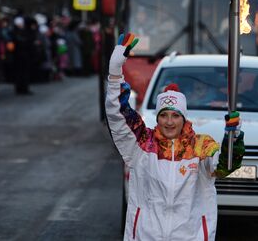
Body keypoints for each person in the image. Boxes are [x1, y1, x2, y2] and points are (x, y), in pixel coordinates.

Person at [105, 33, 245, 241]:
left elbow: (225, 167)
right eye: (164, 115)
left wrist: (233, 138)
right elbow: (118, 115)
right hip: (146, 236)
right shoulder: (142, 144)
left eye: (175, 116)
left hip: (190, 235)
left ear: (183, 118)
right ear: (158, 117)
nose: (169, 122)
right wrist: (115, 73)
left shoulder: (201, 146)